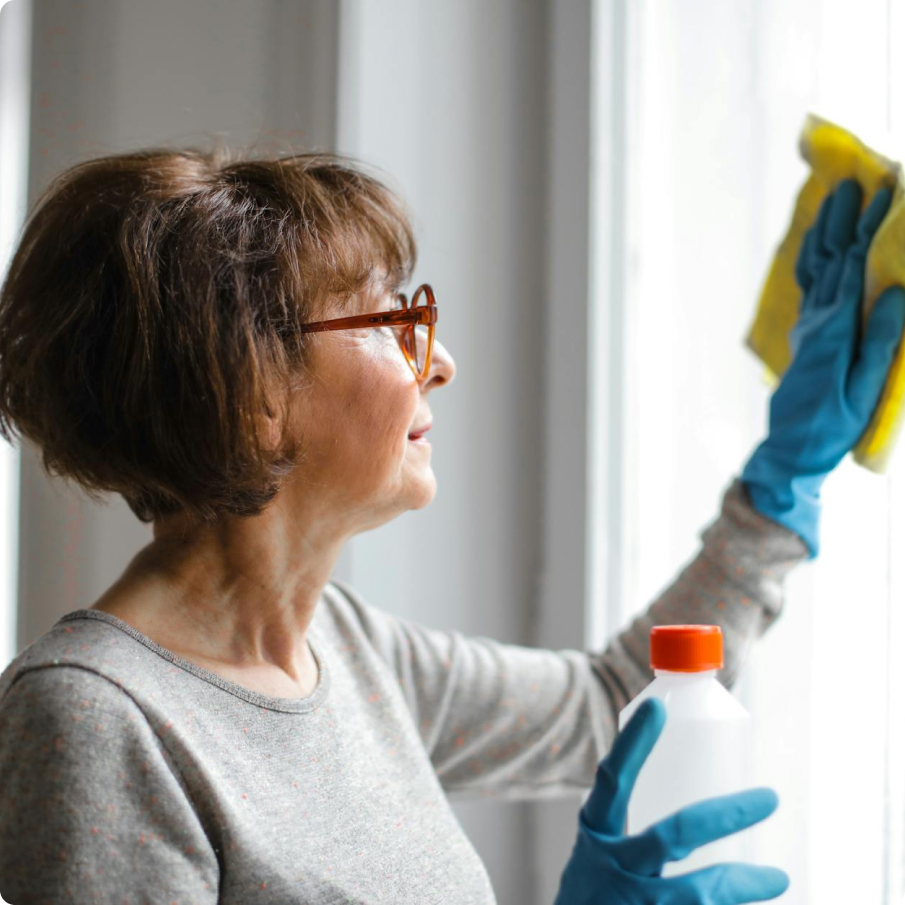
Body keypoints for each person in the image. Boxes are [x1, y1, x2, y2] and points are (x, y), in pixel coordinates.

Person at [0, 142, 897, 903]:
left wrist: (783, 477)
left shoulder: (344, 647)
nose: (443, 364)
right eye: (394, 319)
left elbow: (613, 703)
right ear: (251, 389)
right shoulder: (95, 721)